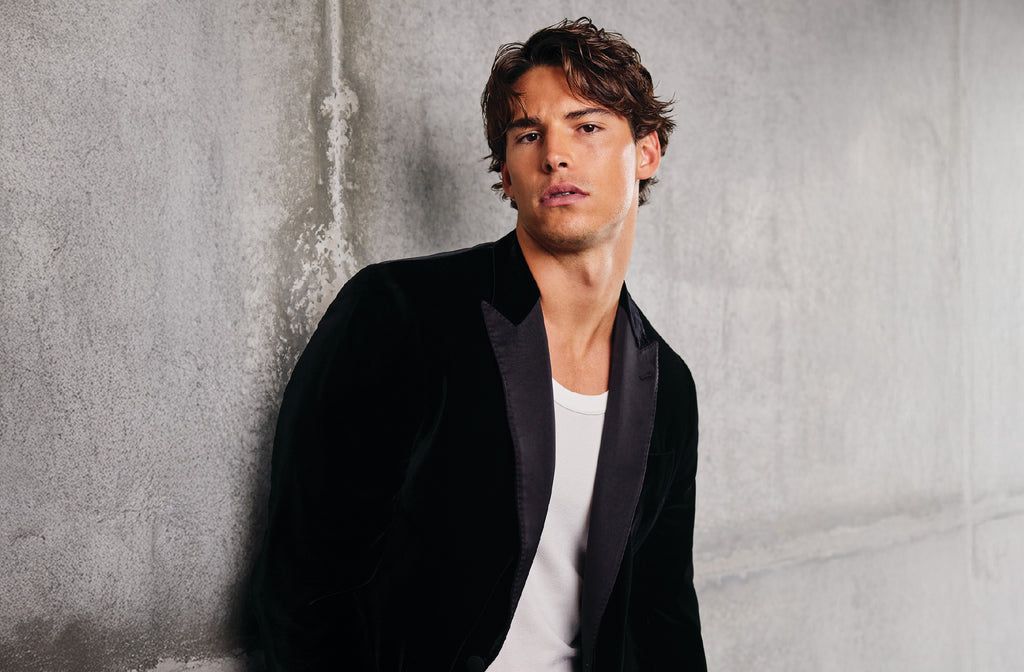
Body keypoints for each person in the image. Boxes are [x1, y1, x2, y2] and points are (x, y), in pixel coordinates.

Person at [252, 17, 706, 672]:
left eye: (586, 126)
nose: (555, 154)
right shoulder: (400, 314)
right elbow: (307, 585)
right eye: (529, 134)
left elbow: (662, 614)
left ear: (646, 153)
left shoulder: (667, 386)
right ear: (508, 173)